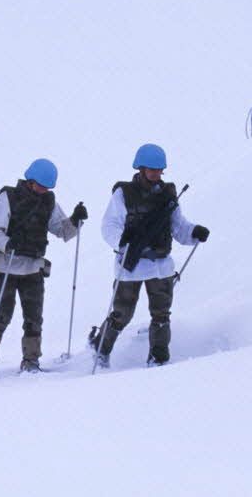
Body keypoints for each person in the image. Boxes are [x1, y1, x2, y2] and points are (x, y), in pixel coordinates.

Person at [89, 144, 208, 368]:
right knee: (122, 314)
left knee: (161, 314)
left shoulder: (168, 195)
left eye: (159, 170)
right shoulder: (124, 193)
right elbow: (110, 224)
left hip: (161, 264)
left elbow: (178, 227)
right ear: (141, 168)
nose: (155, 174)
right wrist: (122, 242)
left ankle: (158, 358)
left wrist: (194, 233)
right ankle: (101, 348)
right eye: (151, 169)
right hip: (131, 263)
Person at [0, 158, 86, 375]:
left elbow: (63, 232)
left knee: (34, 317)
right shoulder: (9, 197)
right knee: (2, 314)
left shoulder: (48, 202)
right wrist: (7, 243)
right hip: (4, 266)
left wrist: (75, 221)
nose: (43, 190)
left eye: (47, 187)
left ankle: (31, 361)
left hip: (33, 267)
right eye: (41, 185)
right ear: (30, 180)